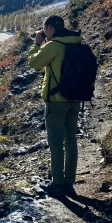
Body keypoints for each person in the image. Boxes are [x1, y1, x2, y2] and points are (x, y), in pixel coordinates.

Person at [27, 15, 83, 197]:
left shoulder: (54, 45)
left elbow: (34, 62)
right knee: (71, 141)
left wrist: (37, 43)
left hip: (56, 101)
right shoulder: (76, 43)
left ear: (50, 28)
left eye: (45, 29)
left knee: (56, 142)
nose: (44, 33)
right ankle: (69, 182)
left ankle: (57, 183)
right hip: (75, 99)